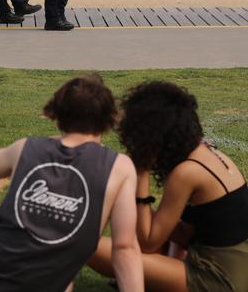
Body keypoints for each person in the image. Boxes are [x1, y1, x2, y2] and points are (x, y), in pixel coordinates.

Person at [0, 74, 143, 292]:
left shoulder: (27, 147)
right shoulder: (120, 167)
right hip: (48, 281)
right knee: (59, 260)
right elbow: (124, 247)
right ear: (108, 120)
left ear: (58, 114)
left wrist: (30, 155)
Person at [89, 81, 248, 292]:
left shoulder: (186, 173)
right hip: (235, 270)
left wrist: (141, 172)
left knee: (88, 245)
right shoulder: (209, 154)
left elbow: (148, 242)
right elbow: (183, 234)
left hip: (217, 280)